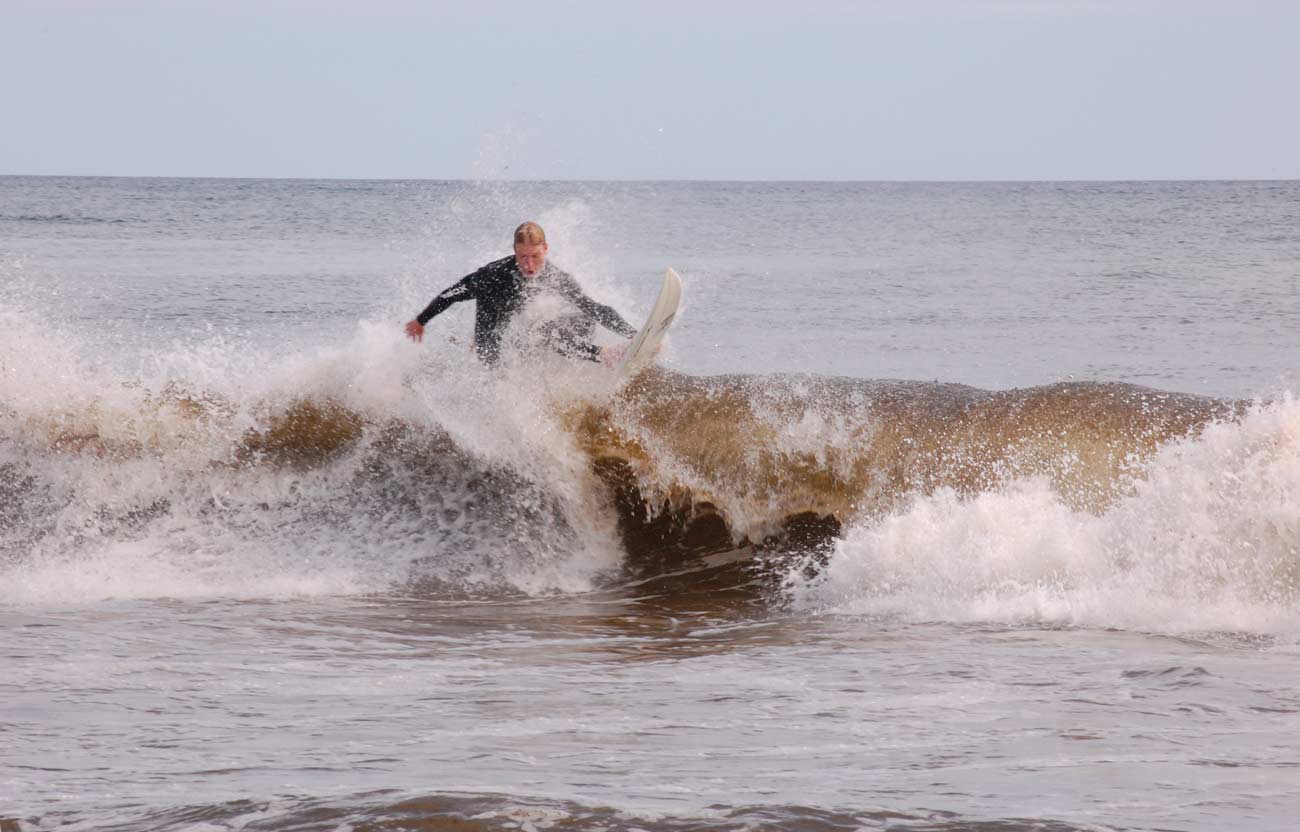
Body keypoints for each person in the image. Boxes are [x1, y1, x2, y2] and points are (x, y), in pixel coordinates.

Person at [404, 222, 635, 365]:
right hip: (490, 329)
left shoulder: (556, 277)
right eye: (523, 257)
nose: (529, 264)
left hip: (520, 327)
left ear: (545, 248)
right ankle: (603, 356)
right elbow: (451, 294)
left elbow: (592, 307)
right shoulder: (493, 275)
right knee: (494, 365)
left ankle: (607, 354)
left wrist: (633, 334)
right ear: (514, 251)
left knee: (562, 325)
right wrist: (421, 320)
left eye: (535, 256)